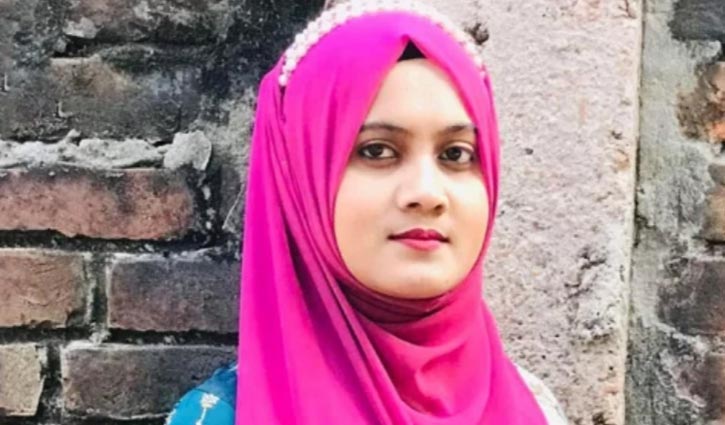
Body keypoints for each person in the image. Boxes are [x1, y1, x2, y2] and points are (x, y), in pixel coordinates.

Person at [167, 1, 568, 424]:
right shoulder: (220, 417)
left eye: (455, 154)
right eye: (377, 151)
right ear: (300, 176)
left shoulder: (536, 408)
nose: (427, 193)